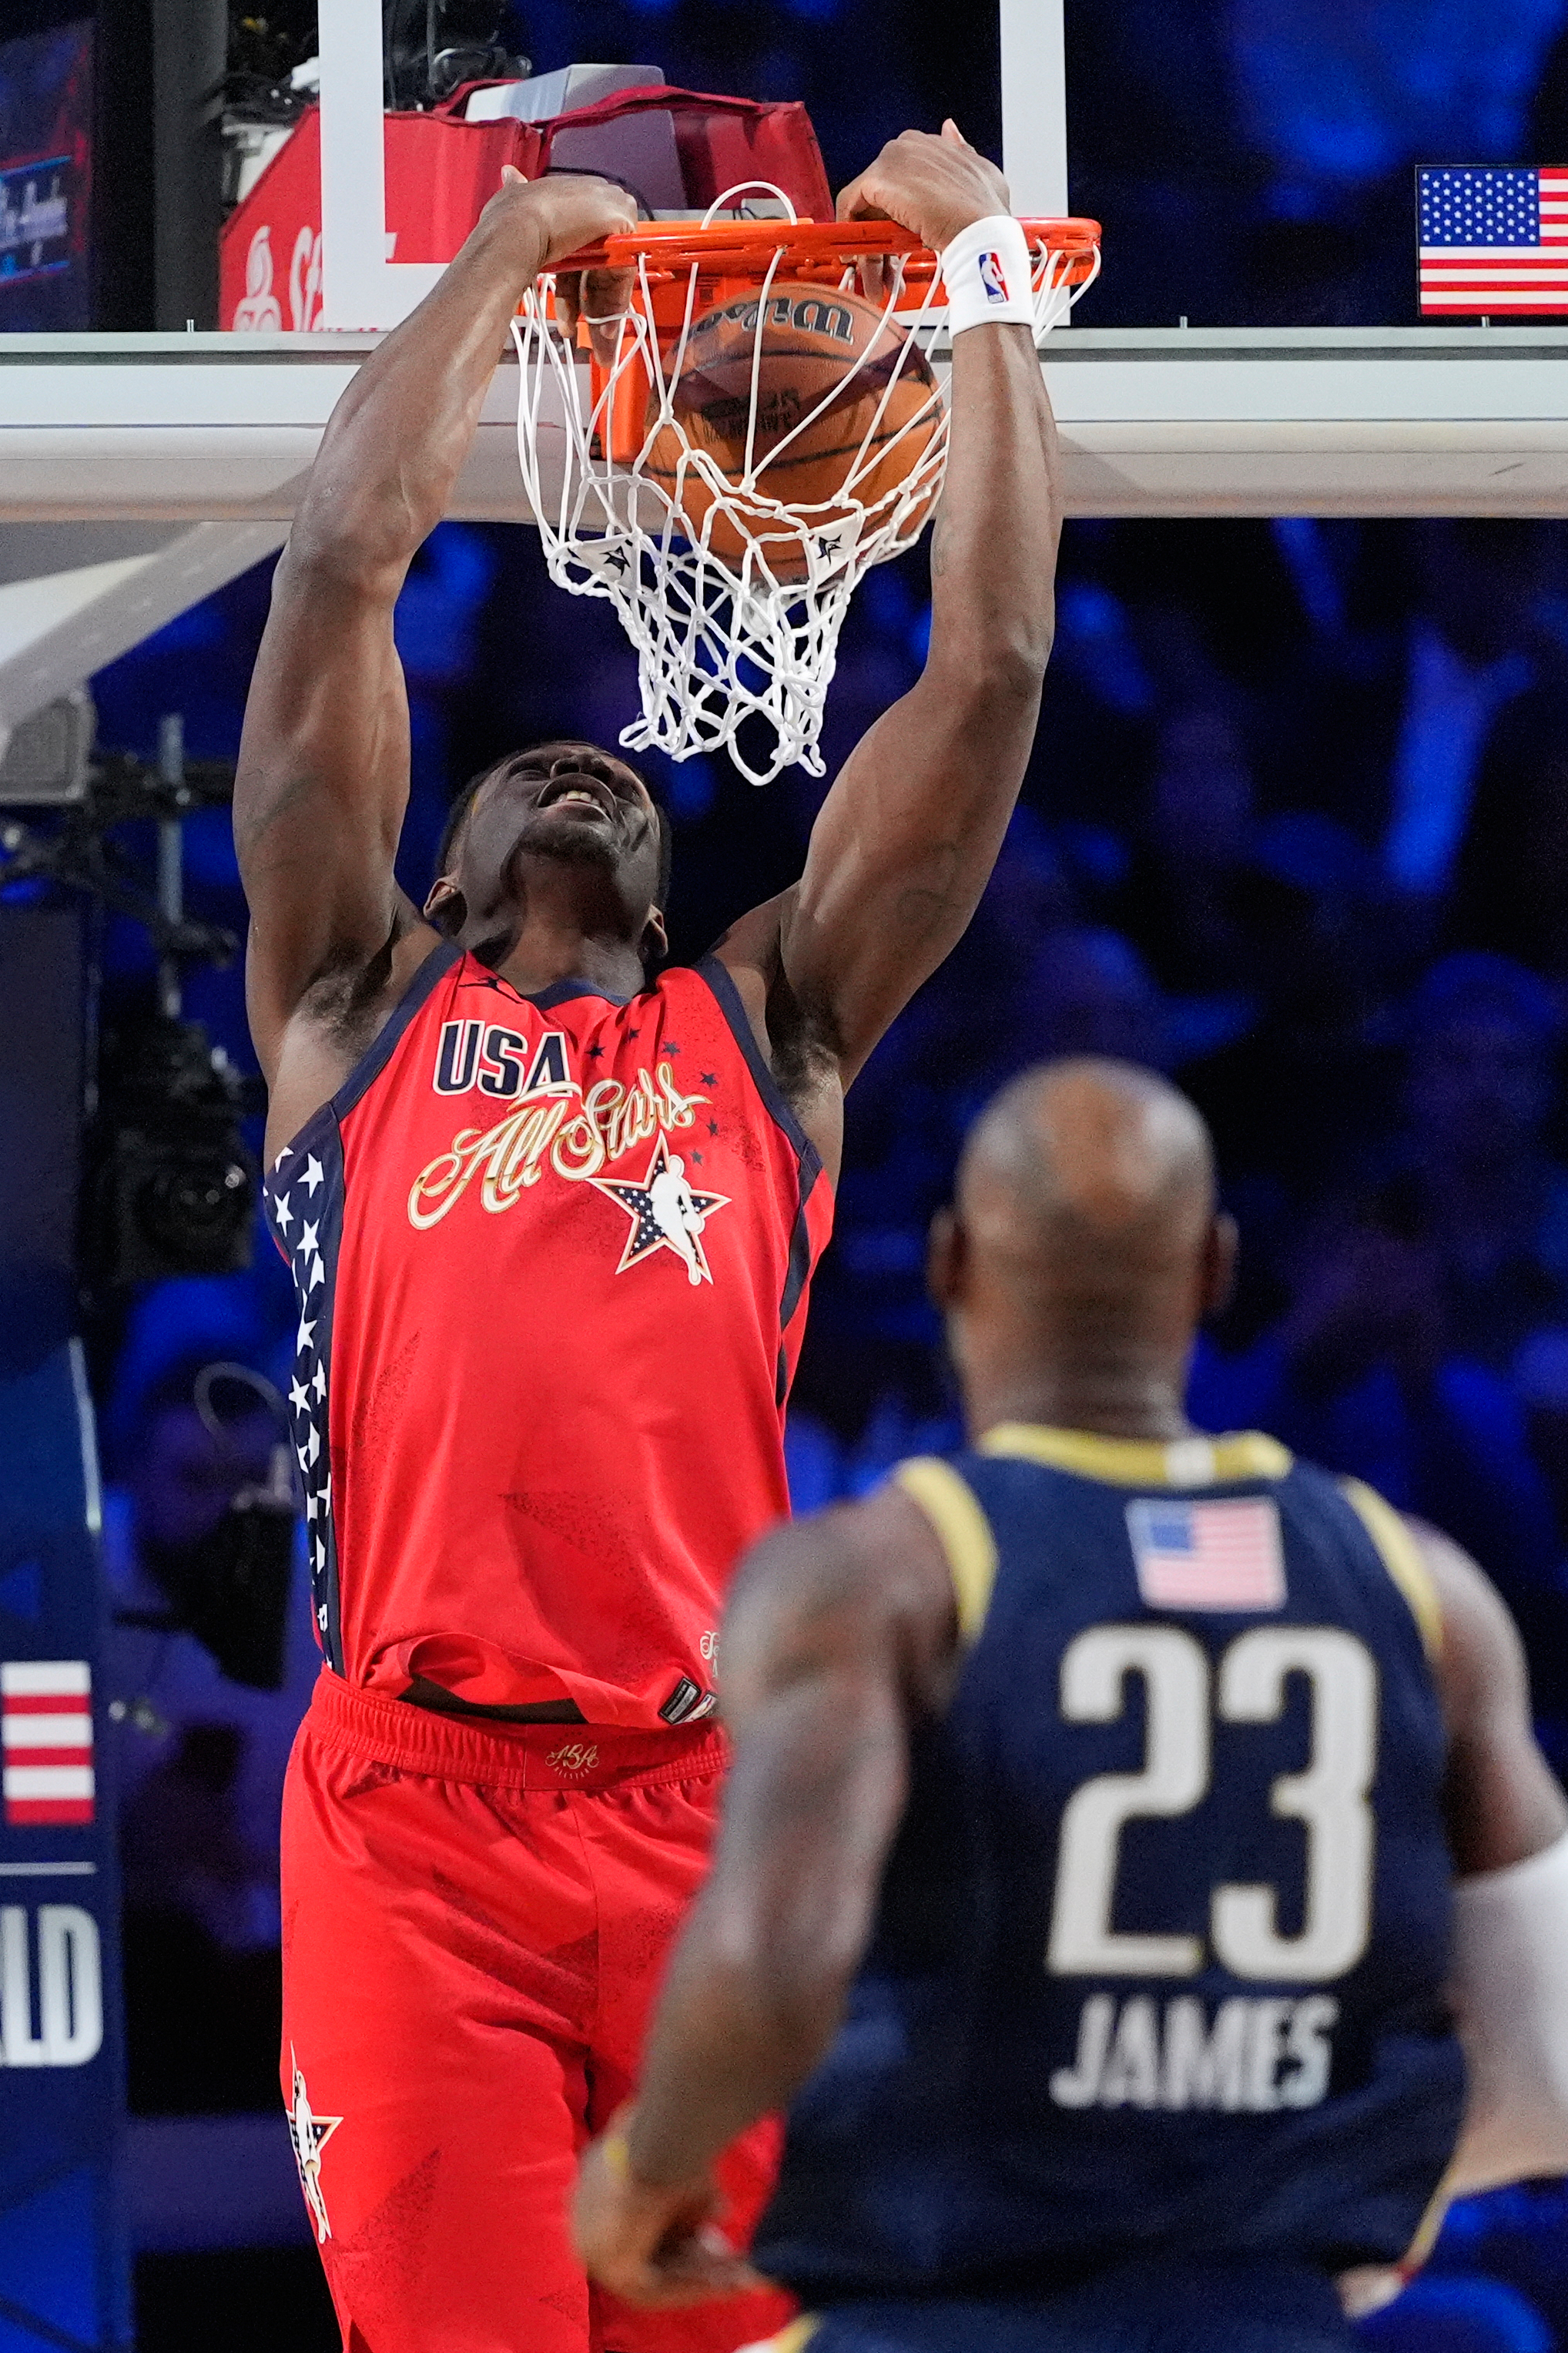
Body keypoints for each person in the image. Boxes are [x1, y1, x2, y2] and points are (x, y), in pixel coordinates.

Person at [231, 123, 1060, 2353]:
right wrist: (511, 241)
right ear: (431, 873)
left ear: (686, 893)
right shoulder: (349, 1008)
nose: (575, 767)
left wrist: (979, 285)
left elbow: (979, 673)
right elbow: (336, 567)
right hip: (417, 1832)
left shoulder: (765, 1035)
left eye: (609, 777)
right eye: (520, 773)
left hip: (707, 1813)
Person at [575, 1061, 1568, 2353]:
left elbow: (772, 1966)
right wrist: (1325, 2193)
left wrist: (648, 2173)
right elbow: (1548, 2046)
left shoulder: (874, 1577)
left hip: (944, 2317)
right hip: (1271, 2320)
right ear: (1213, 1271)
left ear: (947, 1265)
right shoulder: (1421, 1588)